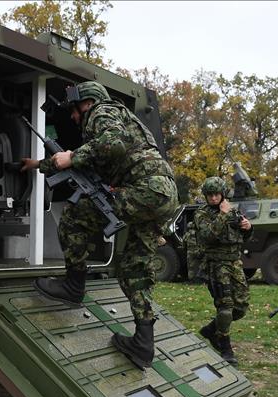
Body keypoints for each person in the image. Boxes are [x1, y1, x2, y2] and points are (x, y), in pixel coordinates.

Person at [20, 81, 179, 369]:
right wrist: (39, 165)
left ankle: (73, 286)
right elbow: (87, 161)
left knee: (72, 218)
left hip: (144, 191)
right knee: (134, 268)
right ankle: (143, 344)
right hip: (162, 195)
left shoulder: (102, 112)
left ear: (87, 102)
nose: (72, 117)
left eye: (74, 110)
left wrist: (72, 156)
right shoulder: (121, 118)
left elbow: (112, 144)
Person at [193, 177, 252, 364]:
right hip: (216, 265)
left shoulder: (232, 210)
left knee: (240, 307)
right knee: (225, 308)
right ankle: (225, 348)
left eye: (216, 194)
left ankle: (211, 330)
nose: (213, 198)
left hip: (234, 263)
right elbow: (208, 236)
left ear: (223, 194)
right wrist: (223, 215)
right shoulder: (201, 214)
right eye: (209, 194)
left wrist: (248, 228)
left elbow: (241, 236)